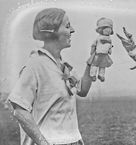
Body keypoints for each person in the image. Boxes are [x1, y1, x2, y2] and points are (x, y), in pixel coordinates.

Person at [7, 8, 93, 145]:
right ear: (51, 32)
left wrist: (92, 62)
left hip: (73, 141)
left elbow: (82, 90)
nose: (72, 31)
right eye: (67, 26)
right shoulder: (36, 64)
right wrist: (43, 143)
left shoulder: (64, 67)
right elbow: (20, 111)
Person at [87, 17, 114, 82]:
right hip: (98, 54)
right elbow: (94, 45)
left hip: (105, 55)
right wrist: (92, 50)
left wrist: (110, 50)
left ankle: (101, 75)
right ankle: (93, 75)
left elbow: (109, 46)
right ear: (101, 30)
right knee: (95, 65)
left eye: (109, 29)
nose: (108, 31)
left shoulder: (109, 39)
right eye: (106, 29)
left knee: (103, 66)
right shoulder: (98, 38)